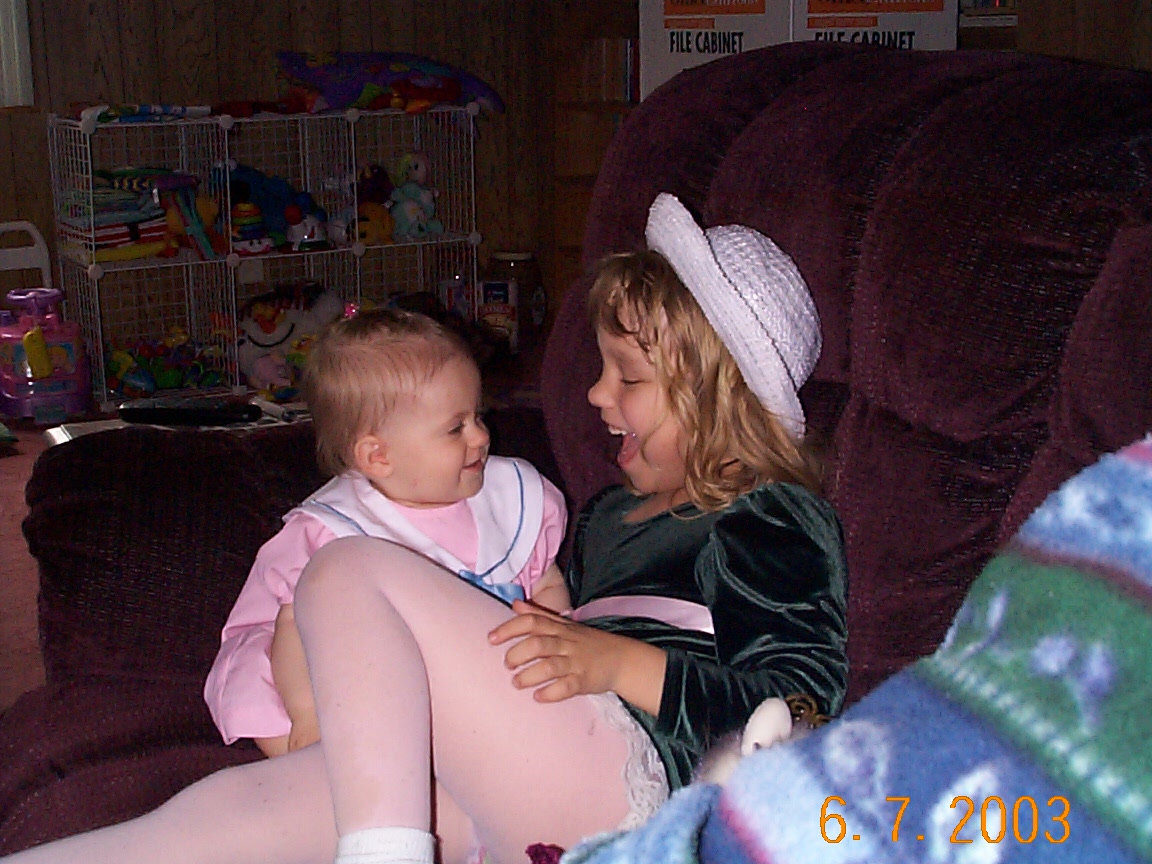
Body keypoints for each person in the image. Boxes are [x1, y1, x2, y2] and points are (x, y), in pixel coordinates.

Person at [0, 193, 848, 864]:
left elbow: (806, 705)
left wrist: (618, 663)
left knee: (346, 568)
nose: (595, 394)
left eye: (626, 377)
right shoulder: (605, 515)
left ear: (719, 397)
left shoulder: (769, 513)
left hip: (639, 781)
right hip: (522, 781)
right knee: (256, 805)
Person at [204, 307, 571, 757]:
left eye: (478, 415)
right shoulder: (334, 532)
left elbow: (545, 581)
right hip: (355, 676)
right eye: (455, 428)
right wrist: (308, 714)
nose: (481, 437)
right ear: (378, 456)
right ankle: (314, 762)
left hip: (482, 678)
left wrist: (556, 638)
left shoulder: (511, 499)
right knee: (265, 684)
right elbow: (294, 627)